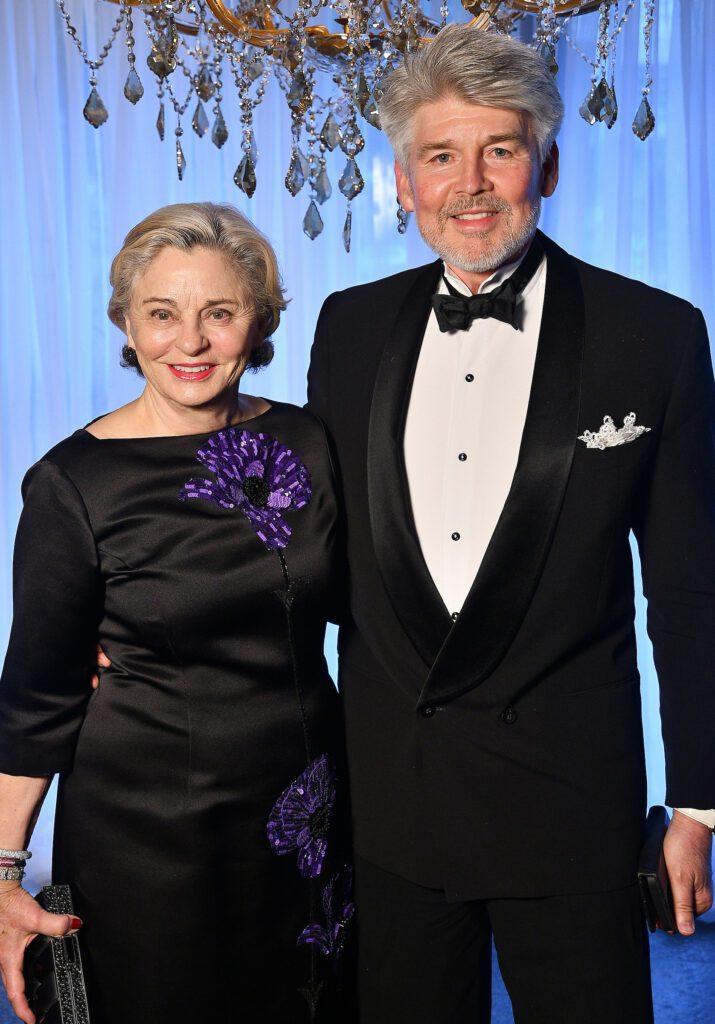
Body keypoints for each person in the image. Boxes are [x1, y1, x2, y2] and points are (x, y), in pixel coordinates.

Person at [307, 25, 715, 1024]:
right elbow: (305, 548)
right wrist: (146, 629)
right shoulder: (346, 326)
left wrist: (700, 806)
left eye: (499, 149)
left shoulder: (653, 333)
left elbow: (691, 586)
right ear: (403, 182)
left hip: (568, 803)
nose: (471, 183)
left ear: (550, 164)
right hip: (393, 800)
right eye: (440, 156)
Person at [0, 202, 354, 1024]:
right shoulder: (72, 483)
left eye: (218, 314)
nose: (188, 342)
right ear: (126, 321)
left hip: (308, 813)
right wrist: (4, 872)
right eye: (161, 314)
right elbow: (37, 697)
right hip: (146, 833)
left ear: (258, 320)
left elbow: (367, 600)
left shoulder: (308, 442)